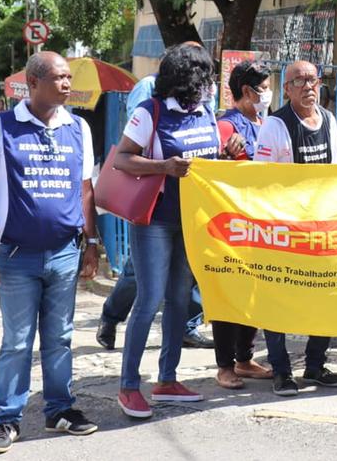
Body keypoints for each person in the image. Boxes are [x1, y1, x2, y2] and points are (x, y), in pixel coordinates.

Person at [0, 52, 101, 453]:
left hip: (64, 253)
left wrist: (92, 244)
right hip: (16, 257)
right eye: (59, 78)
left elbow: (85, 192)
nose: (67, 85)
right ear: (33, 83)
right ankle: (6, 419)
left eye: (68, 78)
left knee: (60, 338)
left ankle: (59, 409)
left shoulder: (78, 128)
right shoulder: (1, 127)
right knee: (17, 341)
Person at [114, 42, 222, 418]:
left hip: (191, 222)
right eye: (206, 76)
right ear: (191, 78)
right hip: (156, 220)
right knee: (150, 299)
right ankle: (128, 386)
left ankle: (167, 378)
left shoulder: (205, 113)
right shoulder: (151, 112)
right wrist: (164, 167)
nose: (211, 83)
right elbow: (123, 159)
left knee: (179, 298)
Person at [96, 70, 212, 351]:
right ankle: (111, 317)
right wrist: (163, 163)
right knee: (139, 275)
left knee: (186, 277)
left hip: (187, 206)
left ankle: (187, 326)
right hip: (152, 204)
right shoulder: (148, 91)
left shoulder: (203, 98)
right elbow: (135, 139)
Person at [253, 59, 337, 394]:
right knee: (278, 300)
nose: (308, 86)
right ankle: (281, 370)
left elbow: (334, 172)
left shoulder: (330, 120)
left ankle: (315, 364)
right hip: (285, 226)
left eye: (313, 80)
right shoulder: (275, 126)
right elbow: (262, 181)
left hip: (320, 225)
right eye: (299, 81)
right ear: (287, 88)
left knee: (324, 295)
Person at [209, 61, 274, 390]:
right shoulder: (225, 126)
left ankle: (245, 358)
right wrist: (223, 157)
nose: (268, 93)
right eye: (265, 86)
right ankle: (224, 365)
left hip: (262, 223)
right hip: (233, 226)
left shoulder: (266, 122)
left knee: (256, 292)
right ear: (248, 91)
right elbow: (212, 174)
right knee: (231, 294)